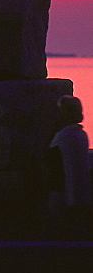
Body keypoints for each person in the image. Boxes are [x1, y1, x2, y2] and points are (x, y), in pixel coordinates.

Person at [46, 94, 91, 239]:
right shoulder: (81, 135)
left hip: (59, 188)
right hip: (77, 190)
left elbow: (52, 159)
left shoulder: (63, 136)